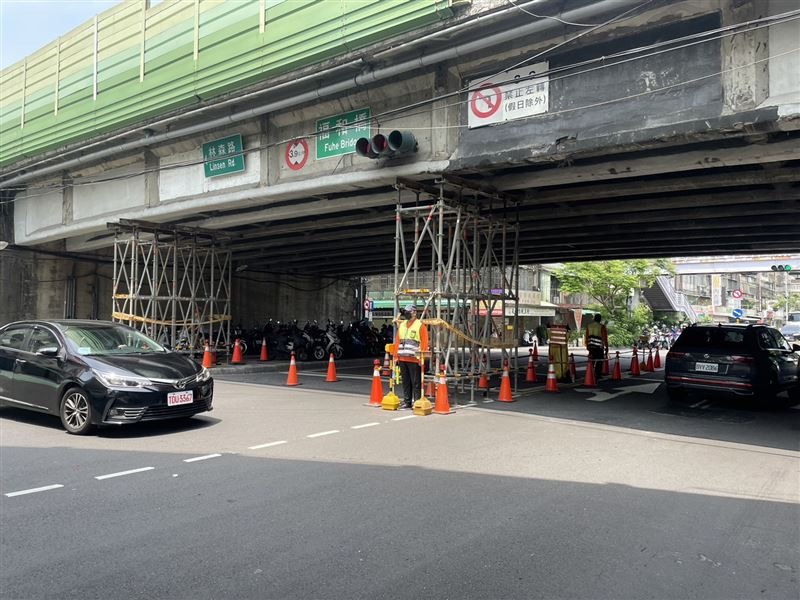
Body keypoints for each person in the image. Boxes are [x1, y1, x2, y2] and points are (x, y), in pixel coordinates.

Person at [393, 304, 429, 409]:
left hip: (414, 359)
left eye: (408, 312)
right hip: (402, 358)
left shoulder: (420, 325)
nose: (406, 314)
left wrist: (421, 358)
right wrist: (395, 356)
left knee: (416, 382)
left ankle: (416, 402)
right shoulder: (403, 325)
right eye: (405, 312)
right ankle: (407, 401)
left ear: (414, 312)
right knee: (406, 381)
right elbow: (398, 341)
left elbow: (424, 342)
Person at [584, 313, 609, 380]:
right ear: (600, 319)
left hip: (591, 347)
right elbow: (604, 338)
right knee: (599, 361)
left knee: (591, 361)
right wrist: (607, 347)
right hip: (599, 347)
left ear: (594, 319)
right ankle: (597, 374)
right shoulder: (602, 327)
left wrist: (587, 346)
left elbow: (586, 337)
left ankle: (590, 374)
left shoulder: (589, 326)